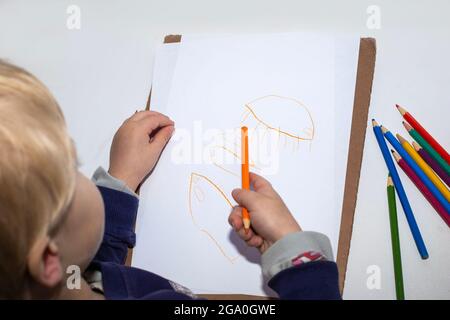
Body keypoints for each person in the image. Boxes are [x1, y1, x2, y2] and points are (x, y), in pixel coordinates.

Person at [0, 60, 341, 299]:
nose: (82, 176)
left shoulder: (72, 279)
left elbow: (92, 266)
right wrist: (296, 254)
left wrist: (122, 177)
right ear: (47, 260)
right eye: (71, 171)